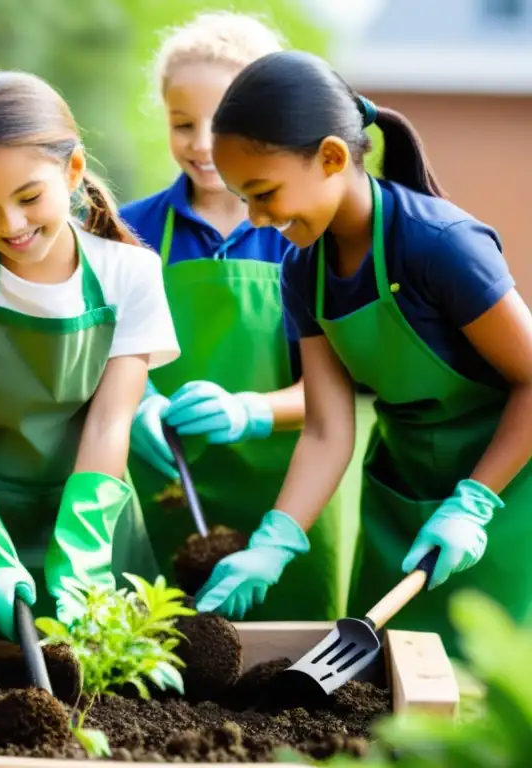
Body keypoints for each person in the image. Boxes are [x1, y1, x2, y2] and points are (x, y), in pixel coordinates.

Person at [206, 49, 532, 655]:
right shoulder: (304, 268)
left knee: (483, 699)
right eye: (241, 197)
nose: (255, 217)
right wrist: (275, 540)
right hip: (400, 495)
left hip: (506, 499)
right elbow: (328, 430)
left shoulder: (441, 246)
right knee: (381, 689)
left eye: (264, 191)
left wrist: (475, 501)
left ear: (331, 157)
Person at [0, 71, 179, 642]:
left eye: (28, 198)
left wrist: (85, 548)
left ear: (72, 172)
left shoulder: (129, 275)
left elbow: (109, 422)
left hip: (93, 516)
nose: (11, 225)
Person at [120, 12, 354, 622]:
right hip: (161, 496)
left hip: (286, 501)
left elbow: (331, 397)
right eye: (181, 123)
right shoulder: (129, 231)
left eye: (219, 122)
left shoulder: (301, 232)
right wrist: (135, 399)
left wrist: (248, 411)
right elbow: (99, 353)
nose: (201, 143)